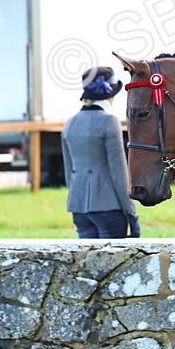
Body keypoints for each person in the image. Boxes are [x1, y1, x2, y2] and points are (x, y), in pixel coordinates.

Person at [62, 65, 140, 239]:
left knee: (88, 263)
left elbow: (69, 170)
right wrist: (131, 210)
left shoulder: (69, 123)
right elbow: (118, 170)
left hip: (79, 208)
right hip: (108, 206)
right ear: (110, 94)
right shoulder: (109, 121)